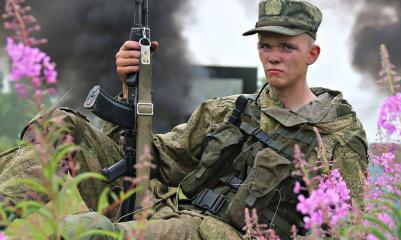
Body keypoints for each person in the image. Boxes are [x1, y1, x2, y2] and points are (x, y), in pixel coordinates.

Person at [0, 0, 368, 239]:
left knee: (88, 232)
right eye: (265, 45)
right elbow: (149, 159)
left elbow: (348, 225)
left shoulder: (334, 136)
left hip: (216, 234)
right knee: (58, 125)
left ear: (312, 54)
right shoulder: (228, 111)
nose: (273, 57)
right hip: (166, 209)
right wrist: (133, 88)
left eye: (286, 47)